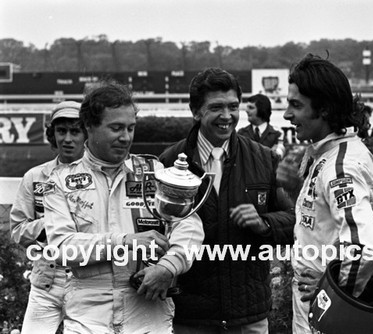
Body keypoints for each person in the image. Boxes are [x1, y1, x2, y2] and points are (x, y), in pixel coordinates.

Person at [43, 81, 204, 334]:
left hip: (148, 310)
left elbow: (190, 226)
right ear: (89, 127)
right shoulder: (60, 182)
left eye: (131, 128)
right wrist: (124, 241)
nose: (125, 137)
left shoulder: (155, 173)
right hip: (88, 315)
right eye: (116, 128)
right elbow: (62, 248)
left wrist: (169, 266)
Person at [159, 68, 294, 333]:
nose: (227, 116)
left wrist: (264, 223)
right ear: (195, 111)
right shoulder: (169, 162)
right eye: (216, 107)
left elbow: (296, 220)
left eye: (233, 107)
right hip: (190, 317)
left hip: (248, 317)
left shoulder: (264, 159)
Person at [283, 54, 373, 333]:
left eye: (296, 105)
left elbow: (368, 246)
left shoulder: (341, 167)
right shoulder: (332, 152)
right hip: (313, 302)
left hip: (324, 312)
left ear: (325, 109)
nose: (286, 114)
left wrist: (333, 293)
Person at [10, 101, 86, 334]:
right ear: (52, 135)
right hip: (46, 282)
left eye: (75, 131)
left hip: (88, 283)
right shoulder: (34, 176)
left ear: (87, 134)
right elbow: (17, 230)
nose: (67, 139)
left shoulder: (102, 177)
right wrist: (54, 225)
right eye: (61, 131)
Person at [238, 93, 285, 158]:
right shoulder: (241, 134)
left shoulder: (278, 135)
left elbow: (283, 161)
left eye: (251, 108)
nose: (246, 110)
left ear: (262, 110)